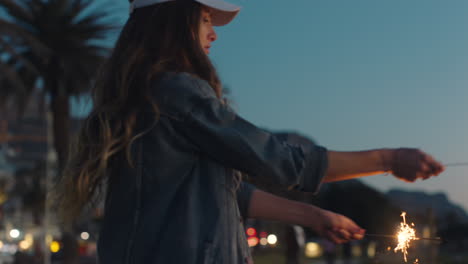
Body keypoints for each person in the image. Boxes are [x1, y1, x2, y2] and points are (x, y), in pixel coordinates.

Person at [53, 0, 445, 263]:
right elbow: (279, 161)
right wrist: (388, 159)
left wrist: (311, 215)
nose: (214, 33)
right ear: (174, 21)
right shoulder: (177, 92)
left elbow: (226, 191)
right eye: (206, 18)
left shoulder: (141, 98)